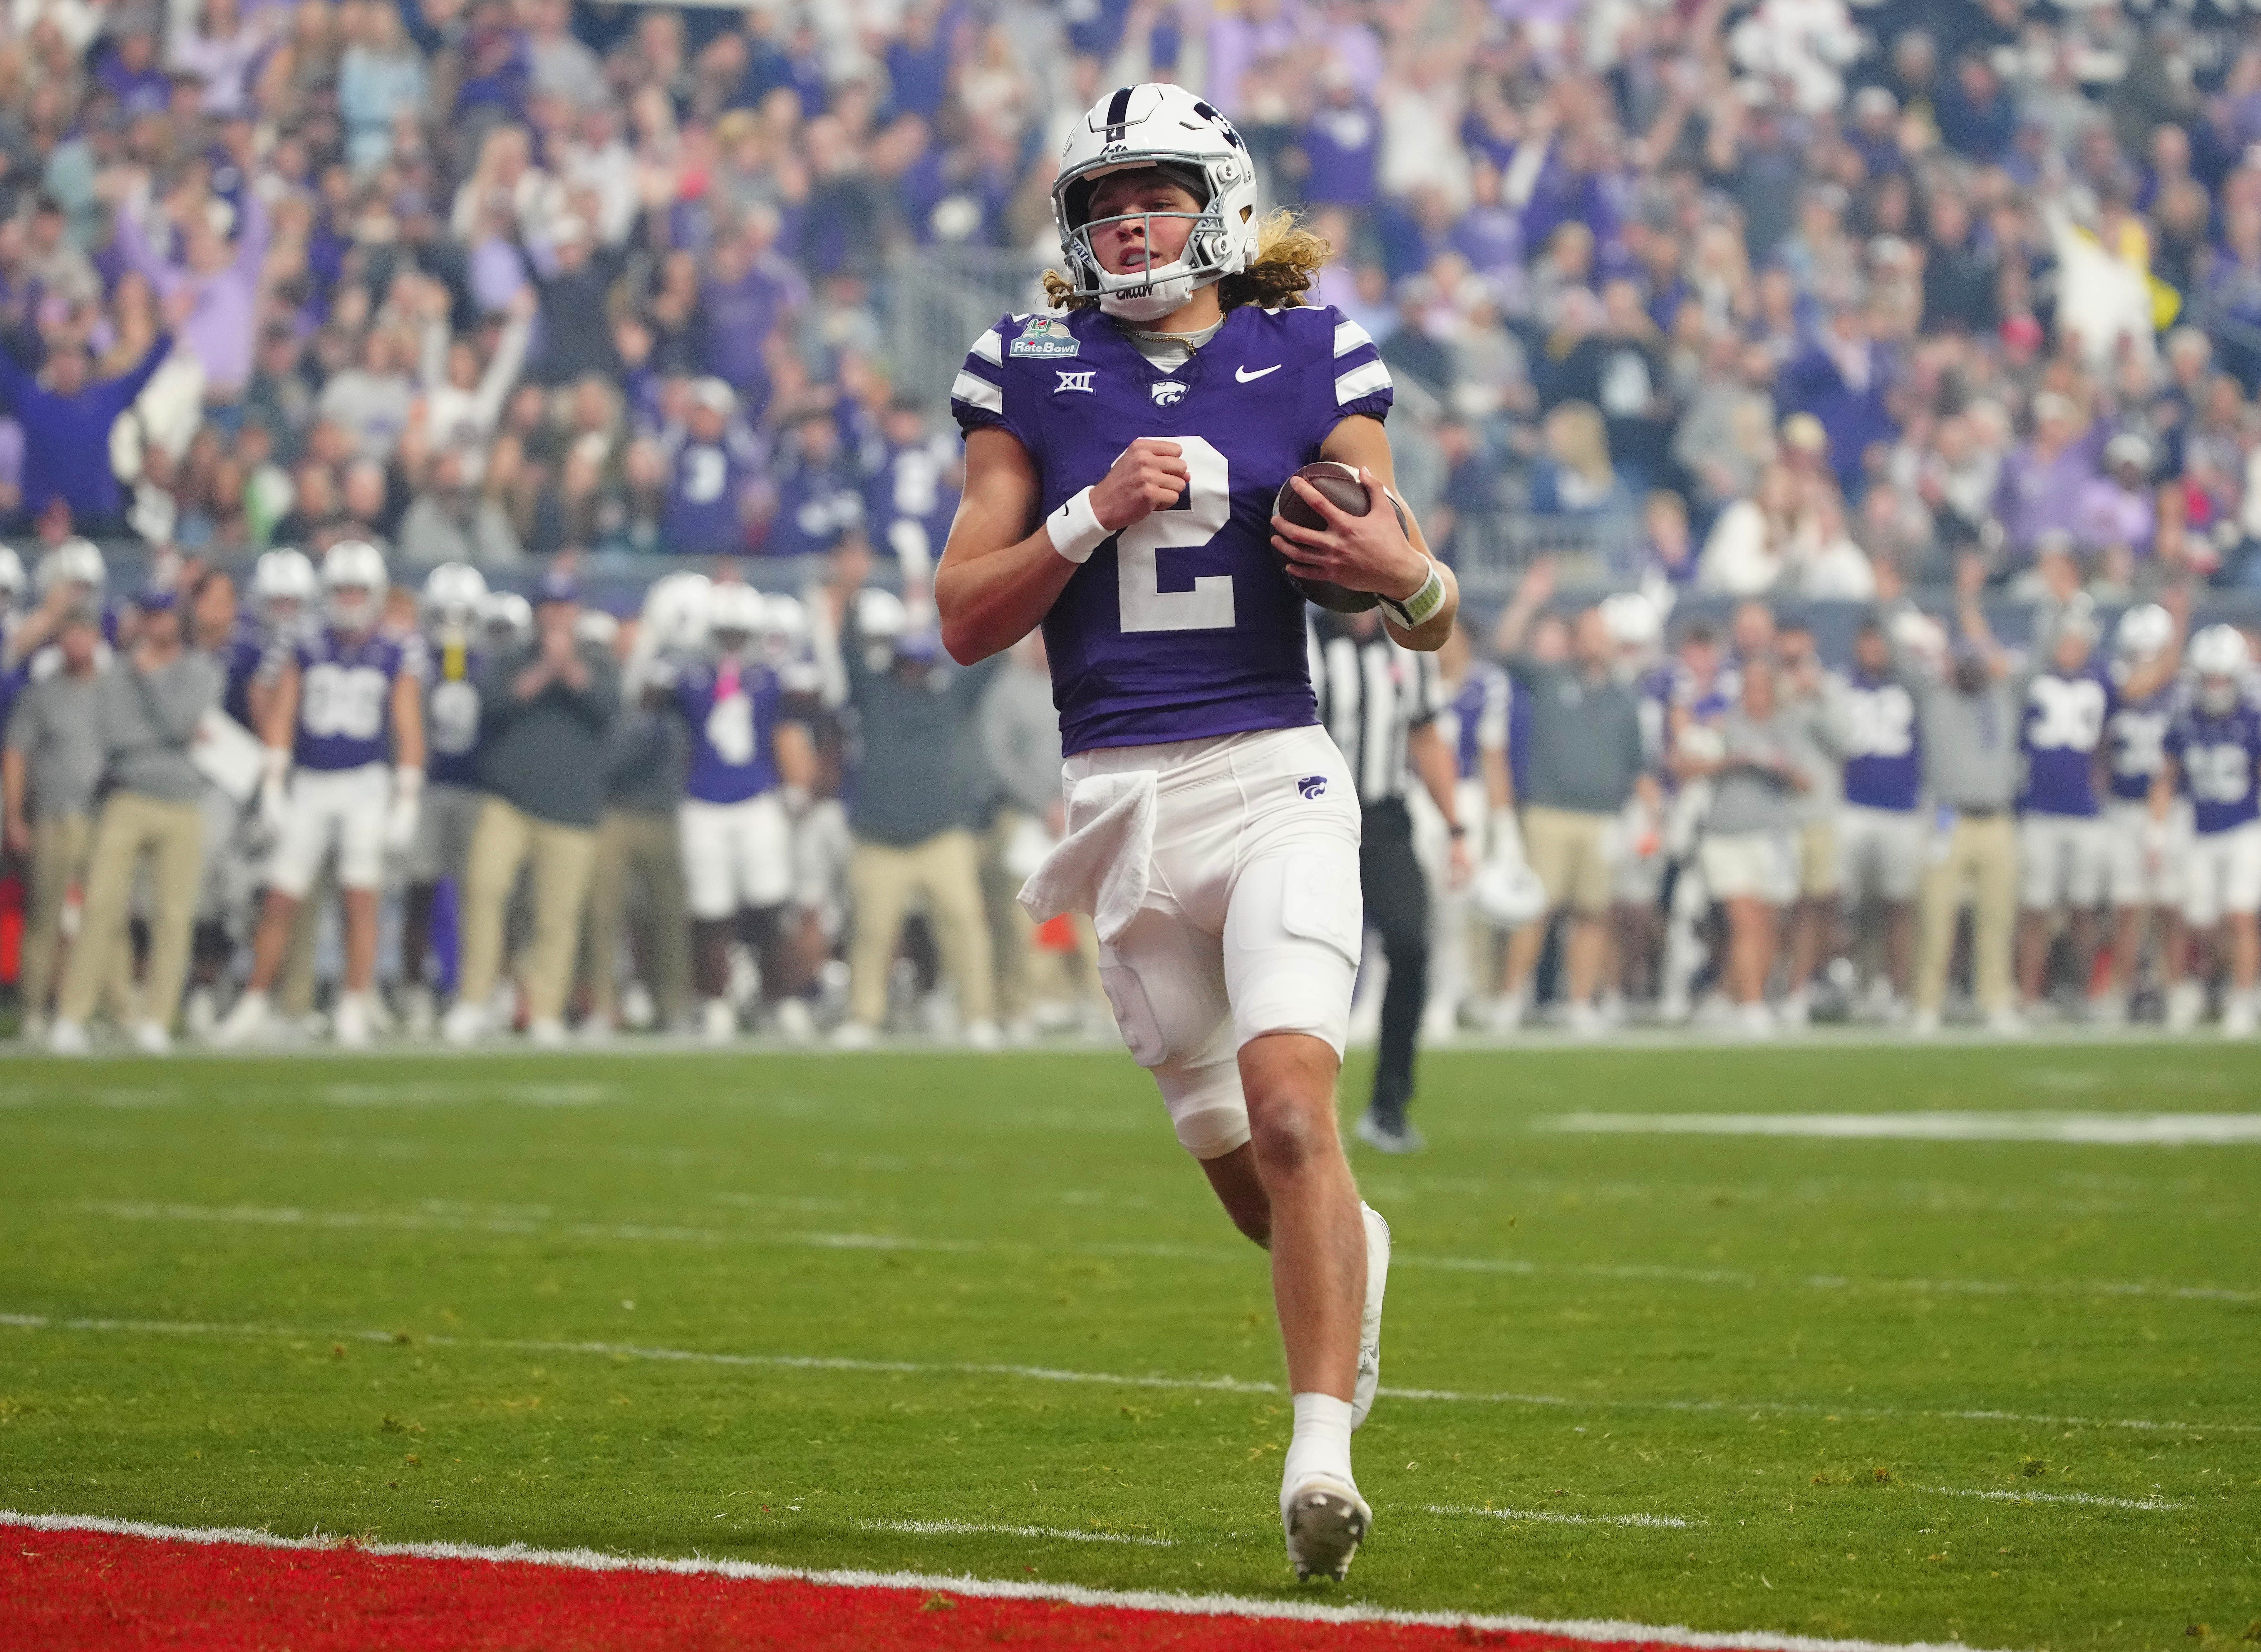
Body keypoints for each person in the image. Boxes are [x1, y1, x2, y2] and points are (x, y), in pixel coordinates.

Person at [215, 542, 426, 1049]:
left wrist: (407, 795)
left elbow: (407, 724)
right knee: (281, 897)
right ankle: (255, 1000)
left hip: (367, 785)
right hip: (311, 781)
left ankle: (354, 1002)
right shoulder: (305, 643)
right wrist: (272, 783)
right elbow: (283, 713)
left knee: (361, 899)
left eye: (359, 590)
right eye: (342, 590)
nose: (350, 599)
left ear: (376, 594)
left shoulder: (397, 648)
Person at [1309, 605, 1465, 1151]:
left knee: (1411, 944)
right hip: (1306, 819)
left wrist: (1456, 828)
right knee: (1304, 963)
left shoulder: (1406, 648)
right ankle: (1285, 1107)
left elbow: (1425, 736)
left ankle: (1389, 1106)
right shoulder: (1296, 636)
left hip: (1383, 820)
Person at [443, 570, 620, 1045]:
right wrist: (546, 668)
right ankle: (474, 998)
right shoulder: (509, 659)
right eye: (549, 606)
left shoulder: (600, 661)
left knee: (556, 916)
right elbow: (494, 705)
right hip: (508, 801)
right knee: (483, 888)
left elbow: (607, 708)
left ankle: (544, 1008)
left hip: (570, 810)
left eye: (565, 606)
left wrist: (569, 669)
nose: (556, 615)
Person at [49, 588, 222, 1055]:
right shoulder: (116, 675)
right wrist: (169, 730)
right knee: (101, 905)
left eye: (165, 614)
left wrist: (148, 687)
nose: (157, 623)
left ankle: (157, 1019)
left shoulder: (197, 669)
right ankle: (73, 1014)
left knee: (173, 914)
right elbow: (114, 734)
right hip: (127, 795)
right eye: (150, 614)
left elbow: (182, 718)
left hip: (182, 800)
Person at [1490, 558, 1657, 1033]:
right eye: (1586, 631)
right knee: (1534, 911)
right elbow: (1503, 648)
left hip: (1602, 817)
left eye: (1600, 632)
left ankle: (1580, 1001)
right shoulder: (1550, 676)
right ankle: (1509, 998)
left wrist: (1652, 816)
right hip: (1549, 813)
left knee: (1593, 914)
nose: (1593, 640)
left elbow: (1637, 766)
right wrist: (1528, 600)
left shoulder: (1624, 696)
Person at [833, 583, 1002, 1048]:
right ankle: (863, 1016)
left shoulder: (951, 697)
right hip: (878, 835)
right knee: (870, 932)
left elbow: (991, 659)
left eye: (920, 661)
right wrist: (850, 597)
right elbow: (847, 652)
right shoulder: (872, 695)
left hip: (942, 834)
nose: (913, 669)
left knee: (966, 925)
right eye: (907, 661)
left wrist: (996, 600)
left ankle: (978, 1016)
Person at [661, 580, 817, 1043]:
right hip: (703, 804)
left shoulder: (768, 677)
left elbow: (816, 697)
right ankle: (715, 1003)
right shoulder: (691, 678)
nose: (730, 643)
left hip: (756, 800)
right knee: (711, 913)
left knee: (771, 908)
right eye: (723, 633)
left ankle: (783, 999)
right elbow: (646, 694)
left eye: (738, 633)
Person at [1874, 555, 2021, 1035]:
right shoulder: (1935, 694)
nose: (1974, 665)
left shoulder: (2004, 694)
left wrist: (1968, 602)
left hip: (1996, 817)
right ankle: (1925, 1004)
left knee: (1996, 918)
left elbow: (2008, 657)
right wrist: (1889, 600)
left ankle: (1994, 1001)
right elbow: (1899, 650)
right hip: (1946, 817)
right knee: (1934, 917)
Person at [1676, 653, 1811, 1035]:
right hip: (1726, 835)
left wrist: (1777, 767)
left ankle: (1736, 997)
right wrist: (1729, 761)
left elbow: (1807, 783)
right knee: (1743, 920)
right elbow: (1684, 767)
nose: (1754, 694)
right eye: (1748, 686)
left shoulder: (1786, 728)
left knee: (1767, 925)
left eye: (1760, 686)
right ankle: (1751, 1005)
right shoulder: (1722, 726)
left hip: (1772, 836)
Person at [398, 562, 491, 1038]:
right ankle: (414, 990)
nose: (454, 624)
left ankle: (474, 991)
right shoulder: (416, 659)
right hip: (429, 787)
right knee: (420, 889)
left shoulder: (490, 661)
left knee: (479, 897)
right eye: (446, 614)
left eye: (463, 614)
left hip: (476, 788)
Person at [3, 604, 104, 1040]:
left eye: (85, 635)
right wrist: (15, 815)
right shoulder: (42, 693)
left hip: (100, 818)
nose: (78, 644)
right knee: (46, 915)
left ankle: (84, 1005)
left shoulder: (113, 691)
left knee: (97, 918)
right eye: (71, 636)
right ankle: (35, 1006)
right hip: (53, 814)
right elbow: (17, 754)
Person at [2154, 626, 2261, 1037]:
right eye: (2208, 678)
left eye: (2222, 677)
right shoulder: (2184, 719)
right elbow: (2165, 775)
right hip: (2198, 830)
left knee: (2239, 914)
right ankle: (2191, 990)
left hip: (2242, 828)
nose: (2215, 687)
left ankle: (2240, 997)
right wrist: (2156, 831)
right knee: (2196, 921)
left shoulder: (2251, 718)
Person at [1832, 613, 1926, 1020]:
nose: (1872, 651)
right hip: (1852, 805)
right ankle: (1851, 982)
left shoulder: (1912, 687)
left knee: (1898, 905)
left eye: (1879, 643)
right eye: (1865, 643)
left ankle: (1896, 989)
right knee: (1845, 905)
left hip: (1901, 808)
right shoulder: (1841, 687)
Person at [2099, 602, 2185, 1021]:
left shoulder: (2182, 690)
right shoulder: (2116, 684)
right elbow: (2129, 693)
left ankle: (2177, 987)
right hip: (2123, 805)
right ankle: (2119, 986)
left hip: (2170, 808)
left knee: (2171, 904)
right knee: (2126, 906)